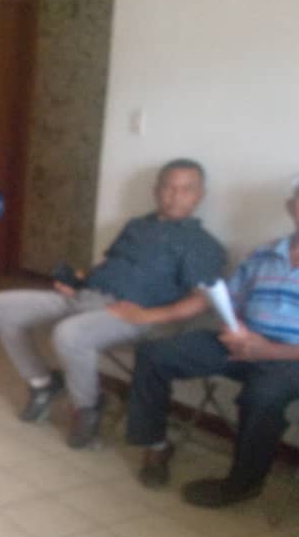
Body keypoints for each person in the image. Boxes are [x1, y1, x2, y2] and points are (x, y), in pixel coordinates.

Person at [0, 158, 226, 448]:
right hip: (88, 298)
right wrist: (79, 281)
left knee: (70, 334)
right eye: (169, 187)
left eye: (186, 189)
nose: (175, 195)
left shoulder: (202, 244)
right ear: (156, 191)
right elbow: (110, 265)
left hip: (138, 316)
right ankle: (43, 384)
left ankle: (87, 408)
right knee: (0, 306)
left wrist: (146, 316)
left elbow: (201, 301)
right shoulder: (136, 226)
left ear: (200, 195)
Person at [127, 178, 299, 507]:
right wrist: (234, 329)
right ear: (292, 207)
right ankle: (156, 447)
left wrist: (268, 349)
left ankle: (242, 485)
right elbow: (229, 301)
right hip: (241, 342)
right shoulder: (264, 252)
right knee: (154, 354)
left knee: (262, 396)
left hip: (290, 359)